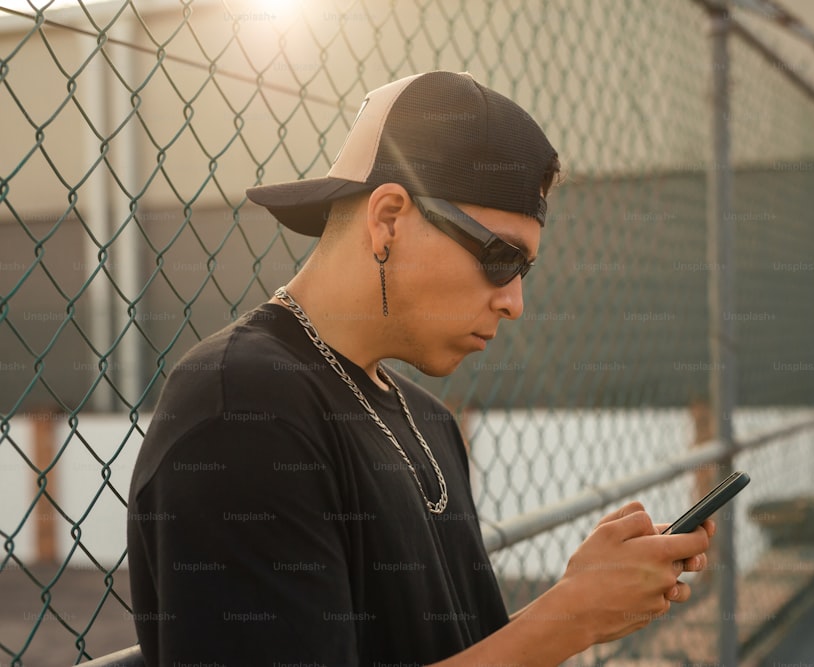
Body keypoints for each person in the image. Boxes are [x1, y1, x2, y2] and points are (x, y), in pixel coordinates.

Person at [127, 70, 715, 667]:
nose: (515, 302)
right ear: (387, 219)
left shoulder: (428, 419)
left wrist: (578, 599)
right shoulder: (242, 408)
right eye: (500, 257)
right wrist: (570, 618)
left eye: (524, 270)